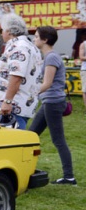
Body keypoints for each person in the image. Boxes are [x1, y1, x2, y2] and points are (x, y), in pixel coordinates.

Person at [28, 27, 77, 185]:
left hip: (53, 102)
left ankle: (69, 177)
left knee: (58, 140)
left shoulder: (51, 58)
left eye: (36, 37)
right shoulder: (49, 56)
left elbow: (47, 84)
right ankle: (26, 170)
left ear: (45, 40)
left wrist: (29, 94)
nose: (34, 39)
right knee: (30, 136)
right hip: (49, 102)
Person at [0, 13, 42, 130]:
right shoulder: (29, 45)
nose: (1, 33)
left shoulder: (19, 47)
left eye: (1, 29)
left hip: (15, 105)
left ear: (9, 31)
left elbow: (16, 76)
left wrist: (7, 101)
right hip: (22, 103)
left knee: (11, 142)